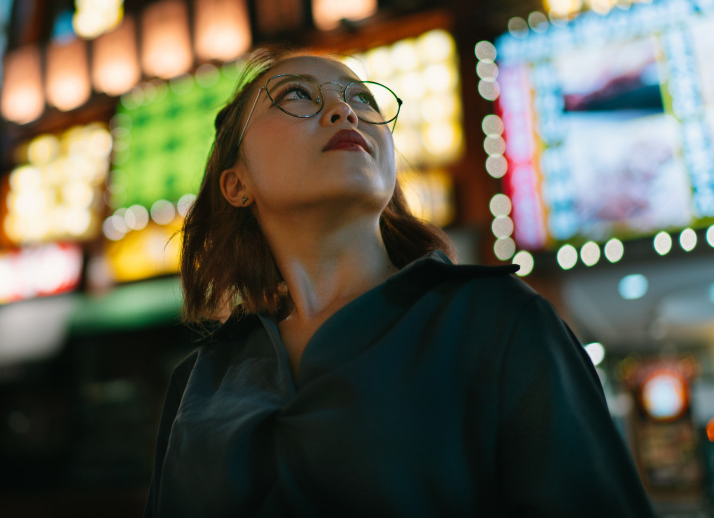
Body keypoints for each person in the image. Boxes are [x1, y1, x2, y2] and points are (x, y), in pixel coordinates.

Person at [143, 48, 654, 517]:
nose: (345, 112)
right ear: (236, 184)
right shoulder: (197, 384)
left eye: (361, 99)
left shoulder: (496, 319)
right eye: (297, 95)